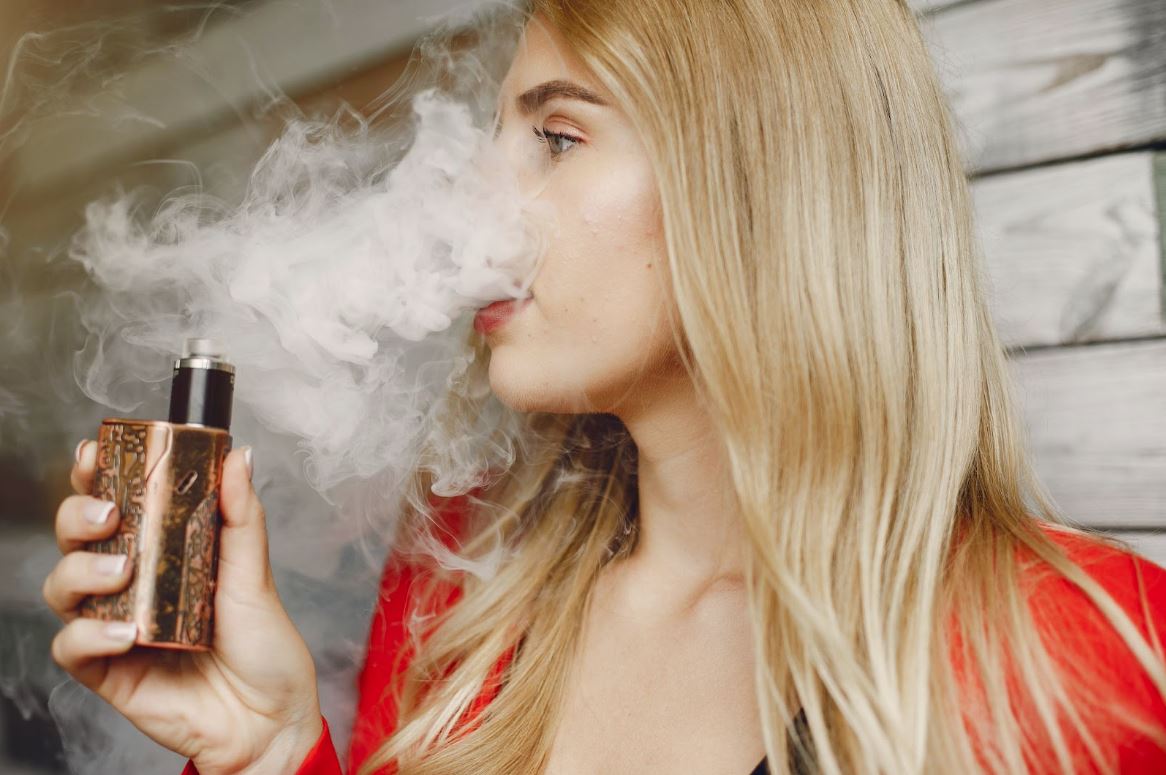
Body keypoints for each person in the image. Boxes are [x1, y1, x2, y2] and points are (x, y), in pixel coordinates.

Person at [43, 1, 1166, 773]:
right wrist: (272, 747)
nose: (477, 204)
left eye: (558, 136)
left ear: (757, 183)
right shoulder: (463, 588)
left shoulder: (1080, 652)